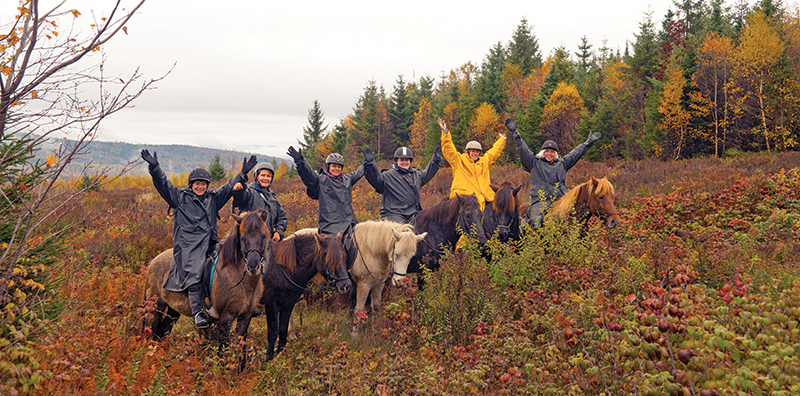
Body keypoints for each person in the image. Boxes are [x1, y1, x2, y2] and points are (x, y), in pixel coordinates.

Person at [141, 149, 257, 329]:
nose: (200, 187)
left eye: (203, 184)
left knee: (232, 260)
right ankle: (197, 313)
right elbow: (164, 185)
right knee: (196, 268)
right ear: (191, 184)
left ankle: (240, 302)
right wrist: (155, 168)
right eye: (197, 184)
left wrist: (242, 173)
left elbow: (227, 188)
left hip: (210, 242)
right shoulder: (179, 198)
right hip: (187, 246)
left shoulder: (213, 198)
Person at [504, 118, 601, 228]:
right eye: (547, 151)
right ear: (543, 152)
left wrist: (588, 143)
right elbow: (524, 150)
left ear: (555, 153)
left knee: (575, 221)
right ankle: (532, 242)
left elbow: (575, 154)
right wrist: (516, 135)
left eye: (551, 151)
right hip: (540, 201)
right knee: (536, 223)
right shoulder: (534, 163)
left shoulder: (562, 163)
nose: (549, 154)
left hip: (561, 200)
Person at [287, 147, 365, 236]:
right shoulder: (321, 180)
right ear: (328, 166)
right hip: (329, 227)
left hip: (349, 224)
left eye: (339, 166)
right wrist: (300, 161)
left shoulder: (347, 179)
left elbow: (358, 173)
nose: (337, 169)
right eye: (334, 166)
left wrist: (366, 162)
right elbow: (308, 174)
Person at [438, 117, 506, 211]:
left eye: (477, 152)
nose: (475, 154)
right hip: (466, 200)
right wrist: (445, 133)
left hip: (485, 197)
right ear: (468, 152)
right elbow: (449, 149)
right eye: (473, 151)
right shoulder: (459, 161)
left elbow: (493, 153)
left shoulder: (484, 162)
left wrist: (502, 140)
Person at [363, 145, 443, 225]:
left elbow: (428, 173)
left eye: (407, 160)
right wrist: (370, 165)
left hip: (413, 214)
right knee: (402, 234)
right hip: (393, 215)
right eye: (402, 160)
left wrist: (435, 160)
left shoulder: (416, 174)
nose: (404, 162)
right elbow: (376, 180)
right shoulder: (388, 175)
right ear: (396, 161)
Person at [232, 162, 288, 241]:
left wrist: (279, 231)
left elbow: (282, 217)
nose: (265, 178)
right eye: (262, 175)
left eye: (268, 176)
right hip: (249, 243)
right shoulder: (249, 191)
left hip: (267, 242)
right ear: (256, 176)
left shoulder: (272, 197)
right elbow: (240, 199)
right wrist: (238, 191)